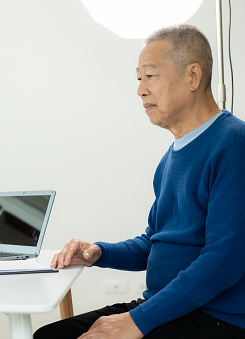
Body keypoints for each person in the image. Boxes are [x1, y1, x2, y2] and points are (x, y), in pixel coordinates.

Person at [34, 24, 245, 339]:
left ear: (193, 76)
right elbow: (154, 241)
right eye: (138, 78)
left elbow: (225, 259)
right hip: (167, 306)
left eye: (151, 76)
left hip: (217, 317)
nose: (140, 89)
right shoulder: (171, 157)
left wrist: (137, 322)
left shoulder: (233, 143)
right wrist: (99, 252)